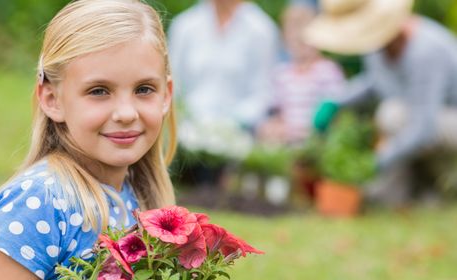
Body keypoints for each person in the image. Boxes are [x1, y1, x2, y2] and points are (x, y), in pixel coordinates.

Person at [0, 1, 198, 280]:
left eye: (143, 89)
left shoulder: (136, 197)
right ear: (52, 98)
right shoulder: (43, 201)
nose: (125, 112)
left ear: (166, 95)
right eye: (98, 91)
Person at [305, 0, 457, 205]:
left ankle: (441, 184)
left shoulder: (426, 51)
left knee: (392, 114)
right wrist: (335, 101)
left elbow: (424, 127)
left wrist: (377, 161)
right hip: (420, 125)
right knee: (394, 117)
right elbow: (376, 82)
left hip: (445, 125)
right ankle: (415, 194)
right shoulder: (379, 46)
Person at [168, 0, 280, 170]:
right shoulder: (185, 26)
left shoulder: (261, 30)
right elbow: (173, 85)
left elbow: (264, 91)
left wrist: (232, 123)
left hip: (239, 143)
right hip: (186, 142)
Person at [256, 3, 345, 146]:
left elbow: (336, 105)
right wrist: (275, 126)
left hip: (316, 141)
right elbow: (274, 110)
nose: (299, 42)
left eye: (304, 38)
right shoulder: (281, 74)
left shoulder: (327, 70)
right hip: (286, 142)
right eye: (294, 38)